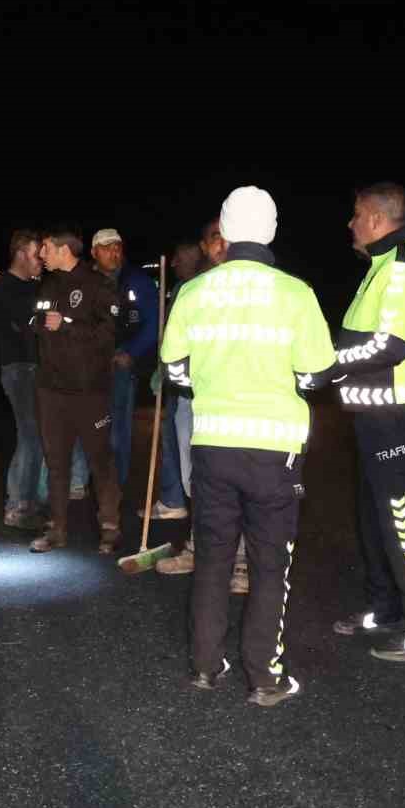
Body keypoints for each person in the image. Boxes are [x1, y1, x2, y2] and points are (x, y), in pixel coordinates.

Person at [161, 186, 336, 706]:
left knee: (212, 558)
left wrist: (212, 381)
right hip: (274, 449)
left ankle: (204, 668)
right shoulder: (296, 293)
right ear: (273, 230)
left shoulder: (194, 292)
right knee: (268, 562)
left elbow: (174, 370)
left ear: (226, 231)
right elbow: (318, 372)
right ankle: (265, 677)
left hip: (214, 443)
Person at [304, 182, 405, 661]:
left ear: (375, 218)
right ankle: (386, 610)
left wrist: (326, 363)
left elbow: (390, 346)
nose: (349, 224)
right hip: (373, 416)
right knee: (373, 520)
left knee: (401, 522)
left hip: (398, 420)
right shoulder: (383, 266)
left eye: (354, 214)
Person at [155, 219, 252, 595]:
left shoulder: (250, 290)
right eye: (215, 237)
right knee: (195, 480)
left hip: (237, 404)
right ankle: (200, 548)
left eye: (229, 237)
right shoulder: (190, 290)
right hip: (193, 402)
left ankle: (241, 562)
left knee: (238, 483)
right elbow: (174, 345)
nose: (222, 244)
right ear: (205, 245)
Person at [28, 226, 122, 554]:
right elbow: (35, 323)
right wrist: (42, 324)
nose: (41, 254)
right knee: (56, 462)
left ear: (63, 250)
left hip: (89, 392)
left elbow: (108, 335)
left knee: (100, 460)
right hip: (51, 390)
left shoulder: (98, 286)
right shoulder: (48, 283)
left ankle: (110, 527)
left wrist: (67, 325)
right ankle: (57, 529)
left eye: (45, 248)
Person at [90, 229, 160, 488]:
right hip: (86, 369)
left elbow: (154, 322)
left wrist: (131, 352)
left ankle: (114, 486)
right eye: (107, 247)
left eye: (117, 246)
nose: (114, 252)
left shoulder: (137, 281)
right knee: (87, 427)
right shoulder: (83, 280)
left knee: (118, 431)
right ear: (94, 252)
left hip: (119, 367)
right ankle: (82, 485)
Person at [0, 230, 47, 529]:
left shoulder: (33, 286)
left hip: (33, 368)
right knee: (30, 436)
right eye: (38, 254)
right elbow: (27, 325)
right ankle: (19, 505)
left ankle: (26, 502)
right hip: (20, 369)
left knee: (33, 437)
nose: (42, 260)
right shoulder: (5, 288)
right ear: (22, 253)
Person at [152, 239, 204, 520]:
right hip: (180, 384)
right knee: (175, 442)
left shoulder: (195, 290)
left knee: (192, 453)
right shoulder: (180, 289)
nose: (173, 264)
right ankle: (176, 501)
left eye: (179, 259)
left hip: (195, 387)